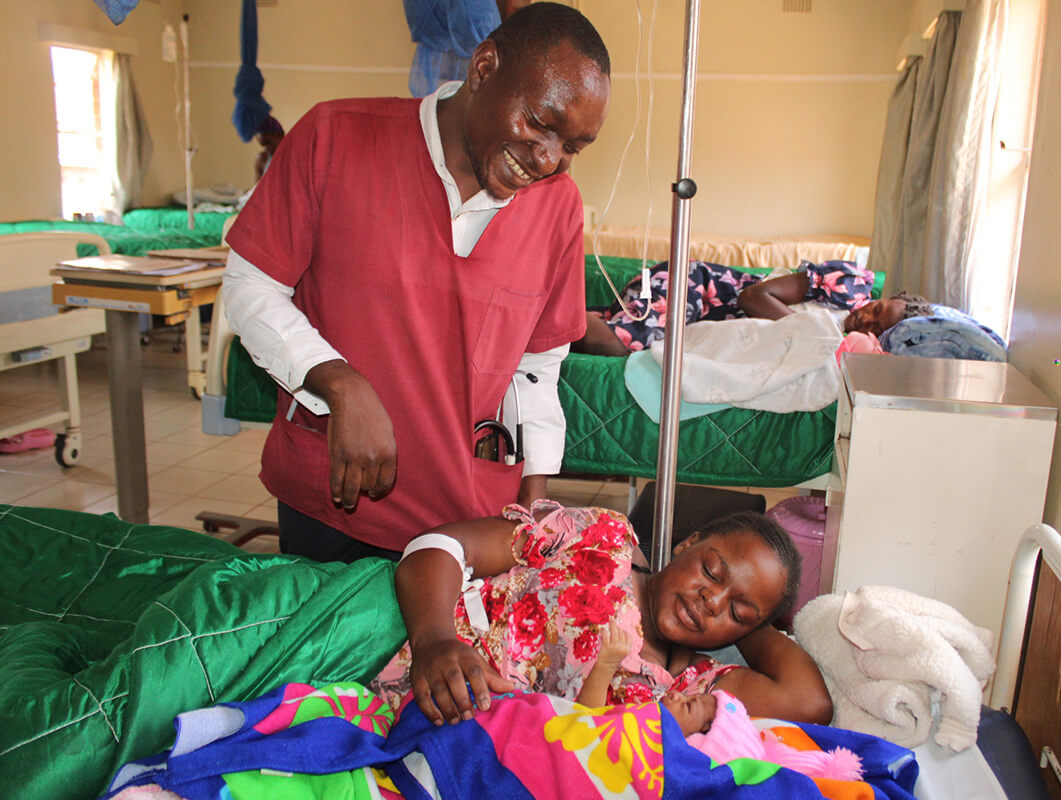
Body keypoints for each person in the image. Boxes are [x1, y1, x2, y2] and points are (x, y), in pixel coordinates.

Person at [221, 4, 612, 560]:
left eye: (572, 147)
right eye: (540, 124)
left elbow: (536, 368)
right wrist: (338, 382)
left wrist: (536, 508)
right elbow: (248, 285)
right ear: (483, 67)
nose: (548, 160)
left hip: (464, 527)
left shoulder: (558, 208)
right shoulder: (334, 138)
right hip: (334, 501)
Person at [373, 502, 833, 726]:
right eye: (711, 571)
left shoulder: (690, 687)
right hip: (384, 645)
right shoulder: (601, 536)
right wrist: (434, 639)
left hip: (458, 752)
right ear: (686, 545)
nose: (712, 600)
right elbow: (445, 546)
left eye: (736, 609)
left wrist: (745, 622)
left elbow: (810, 703)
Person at [574, 259, 875, 356]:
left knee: (596, 329)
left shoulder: (851, 349)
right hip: (699, 286)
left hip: (698, 320)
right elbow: (753, 297)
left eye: (877, 325)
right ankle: (547, 308)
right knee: (620, 343)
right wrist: (811, 332)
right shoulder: (852, 285)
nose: (868, 318)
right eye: (879, 308)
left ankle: (550, 316)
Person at [253, 115, 286, 182]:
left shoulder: (295, 157)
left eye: (268, 143)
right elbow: (257, 189)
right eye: (263, 145)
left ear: (281, 135)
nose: (267, 149)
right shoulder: (262, 159)